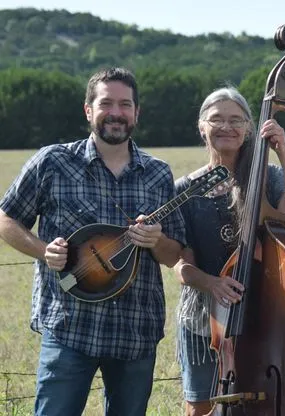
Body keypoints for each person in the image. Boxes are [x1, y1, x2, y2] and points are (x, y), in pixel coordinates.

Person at [0, 67, 186, 416]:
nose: (116, 112)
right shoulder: (53, 161)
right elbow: (6, 218)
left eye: (125, 104)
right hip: (70, 328)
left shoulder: (158, 173)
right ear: (88, 110)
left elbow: (175, 253)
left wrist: (155, 240)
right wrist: (44, 252)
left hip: (135, 330)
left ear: (136, 112)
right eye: (106, 103)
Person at [173, 86, 285, 415]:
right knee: (202, 409)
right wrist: (212, 283)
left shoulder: (269, 177)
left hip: (263, 314)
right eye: (217, 119)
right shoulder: (185, 190)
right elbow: (181, 265)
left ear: (249, 129)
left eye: (236, 120)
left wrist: (282, 153)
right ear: (201, 127)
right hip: (204, 320)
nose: (227, 127)